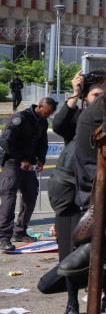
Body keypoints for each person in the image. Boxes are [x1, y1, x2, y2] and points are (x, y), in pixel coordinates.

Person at [48, 72, 106, 314]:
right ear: (85, 98)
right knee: (69, 250)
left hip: (101, 193)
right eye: (96, 95)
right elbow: (59, 124)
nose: (102, 99)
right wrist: (74, 92)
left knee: (105, 248)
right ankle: (72, 303)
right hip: (70, 192)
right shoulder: (81, 120)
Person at [0, 97, 56, 251]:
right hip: (13, 163)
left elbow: (42, 143)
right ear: (40, 106)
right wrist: (21, 159)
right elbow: (5, 141)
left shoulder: (42, 122)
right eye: (47, 112)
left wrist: (40, 160)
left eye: (50, 114)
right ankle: (4, 237)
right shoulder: (21, 118)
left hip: (29, 165)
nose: (48, 116)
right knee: (9, 199)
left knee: (31, 197)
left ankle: (20, 231)